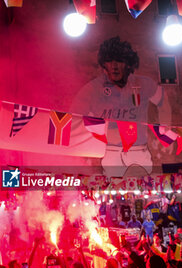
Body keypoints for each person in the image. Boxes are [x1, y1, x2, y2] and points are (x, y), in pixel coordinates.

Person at [70, 36, 170, 178]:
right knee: (113, 193)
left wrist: (165, 131)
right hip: (110, 152)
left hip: (138, 151)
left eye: (119, 61)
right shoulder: (92, 89)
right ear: (104, 64)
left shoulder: (143, 83)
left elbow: (163, 102)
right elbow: (73, 119)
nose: (114, 65)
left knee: (141, 191)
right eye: (109, 61)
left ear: (128, 63)